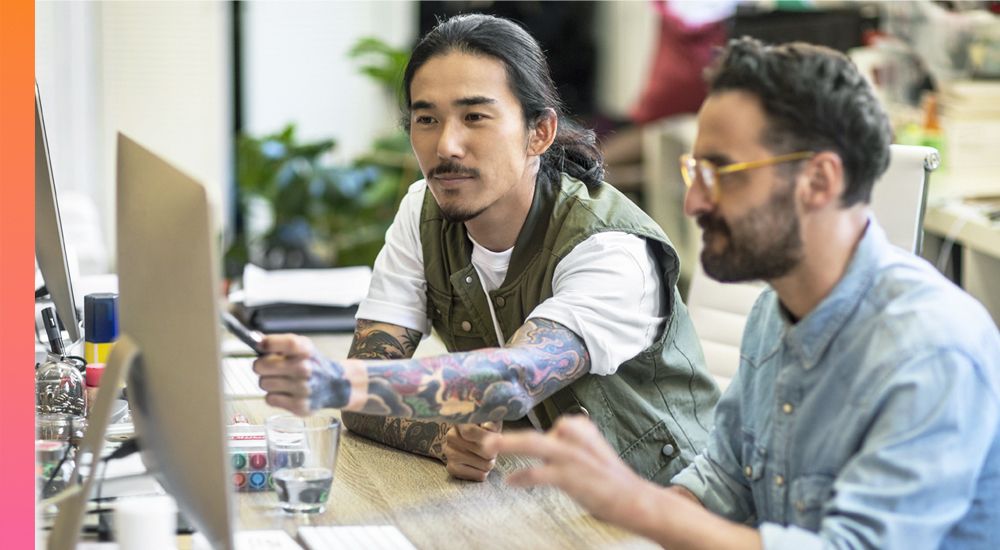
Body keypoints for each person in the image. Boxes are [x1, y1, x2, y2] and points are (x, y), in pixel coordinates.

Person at [487, 37, 1000, 549]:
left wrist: (637, 503)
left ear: (819, 181)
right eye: (695, 172)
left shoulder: (930, 348)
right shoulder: (775, 313)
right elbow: (723, 480)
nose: (693, 203)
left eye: (720, 174)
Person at [253, 13, 719, 484]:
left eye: (475, 116)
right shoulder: (423, 211)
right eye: (426, 119)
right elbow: (366, 394)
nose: (446, 145)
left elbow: (514, 379)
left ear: (539, 132)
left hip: (660, 505)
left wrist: (335, 383)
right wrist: (447, 438)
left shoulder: (608, 249)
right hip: (539, 497)